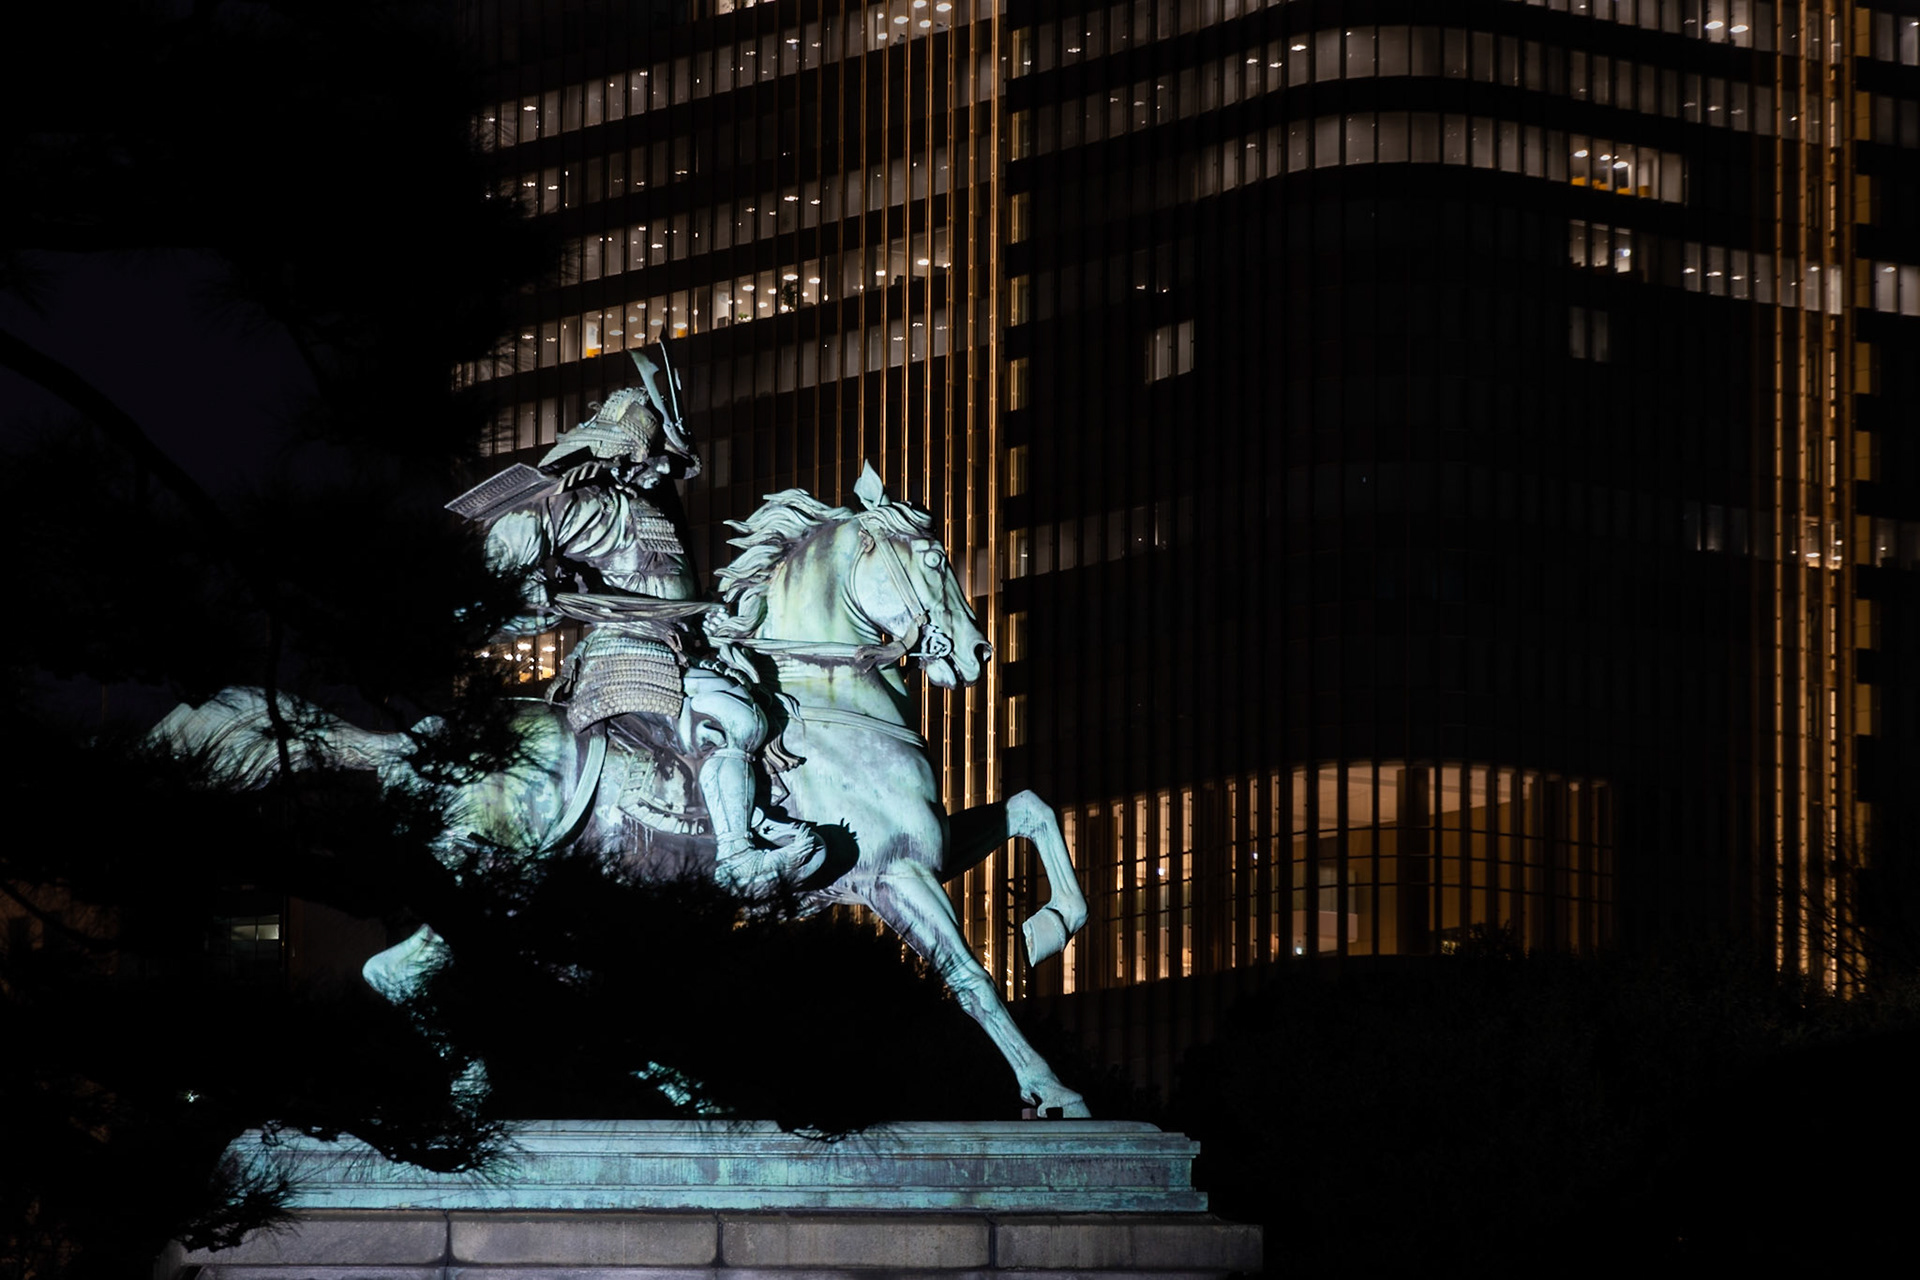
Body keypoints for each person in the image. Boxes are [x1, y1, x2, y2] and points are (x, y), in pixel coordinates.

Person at [473, 360, 822, 894]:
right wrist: (513, 582)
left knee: (770, 704)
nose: (663, 471)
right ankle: (736, 856)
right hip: (631, 654)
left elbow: (673, 593)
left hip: (680, 648)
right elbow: (528, 518)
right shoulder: (602, 507)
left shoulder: (649, 508)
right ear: (624, 455)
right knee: (735, 718)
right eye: (655, 459)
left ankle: (749, 811)